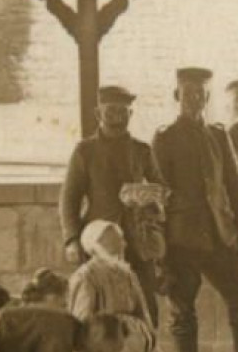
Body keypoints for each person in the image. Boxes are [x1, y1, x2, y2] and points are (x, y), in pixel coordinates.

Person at [152, 66, 238, 352]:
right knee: (182, 309)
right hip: (181, 238)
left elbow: (235, 183)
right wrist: (160, 246)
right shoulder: (165, 138)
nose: (194, 99)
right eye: (188, 94)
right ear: (177, 96)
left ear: (207, 97)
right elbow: (158, 193)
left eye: (200, 94)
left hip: (219, 234)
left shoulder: (218, 134)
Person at [57, 83, 165, 322]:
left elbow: (162, 189)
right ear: (98, 114)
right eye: (110, 110)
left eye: (122, 111)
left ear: (131, 114)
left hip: (138, 241)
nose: (117, 116)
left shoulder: (142, 150)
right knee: (97, 307)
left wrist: (146, 199)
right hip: (100, 242)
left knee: (145, 305)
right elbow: (69, 198)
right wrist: (72, 240)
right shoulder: (85, 151)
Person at [68, 220, 165, 352]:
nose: (123, 245)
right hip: (108, 345)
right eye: (114, 241)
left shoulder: (127, 274)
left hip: (138, 342)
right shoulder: (86, 276)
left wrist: (153, 345)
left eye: (121, 239)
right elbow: (82, 323)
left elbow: (143, 314)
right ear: (96, 246)